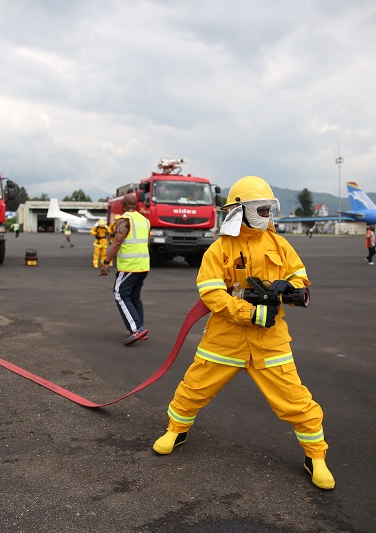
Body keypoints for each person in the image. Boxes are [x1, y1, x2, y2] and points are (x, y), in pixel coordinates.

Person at [151, 175, 335, 491]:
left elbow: (301, 280)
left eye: (270, 209)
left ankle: (316, 456)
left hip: (270, 340)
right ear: (241, 210)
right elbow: (210, 292)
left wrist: (288, 288)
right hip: (225, 338)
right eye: (262, 210)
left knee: (295, 399)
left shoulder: (280, 244)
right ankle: (175, 429)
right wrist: (248, 312)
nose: (269, 216)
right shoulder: (219, 249)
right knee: (195, 386)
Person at [100, 194, 150, 346]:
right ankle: (139, 327)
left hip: (129, 265)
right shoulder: (145, 220)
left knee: (120, 294)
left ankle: (136, 329)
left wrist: (106, 261)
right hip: (143, 265)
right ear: (136, 205)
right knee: (134, 297)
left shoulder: (124, 220)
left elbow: (117, 242)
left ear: (122, 205)